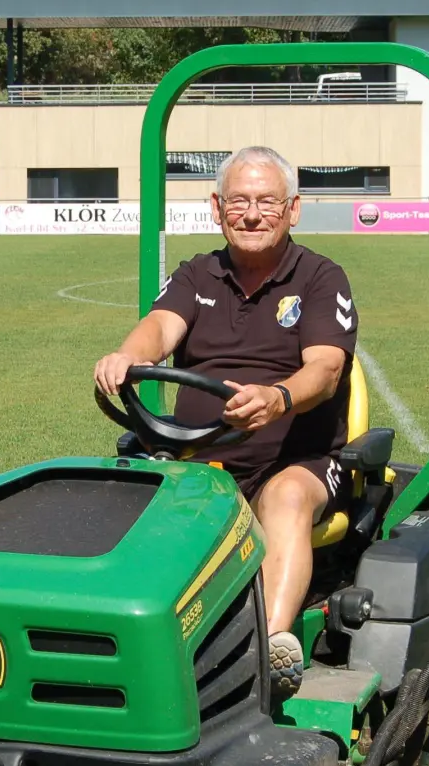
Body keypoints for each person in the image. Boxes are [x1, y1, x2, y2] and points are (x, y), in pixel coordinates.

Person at [93, 146, 358, 696]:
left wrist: (279, 398)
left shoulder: (319, 278)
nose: (253, 214)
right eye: (239, 201)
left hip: (297, 458)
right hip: (200, 452)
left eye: (267, 201)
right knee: (116, 497)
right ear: (217, 207)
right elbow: (159, 328)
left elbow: (327, 370)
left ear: (293, 209)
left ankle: (269, 652)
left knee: (284, 499)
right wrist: (126, 356)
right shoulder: (198, 274)